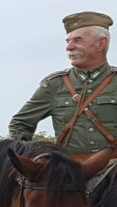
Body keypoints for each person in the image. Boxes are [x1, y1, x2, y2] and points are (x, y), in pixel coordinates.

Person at [10, 11, 116, 158]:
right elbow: (20, 123)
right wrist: (29, 155)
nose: (69, 47)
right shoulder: (54, 84)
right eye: (68, 41)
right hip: (69, 172)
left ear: (101, 43)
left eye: (78, 40)